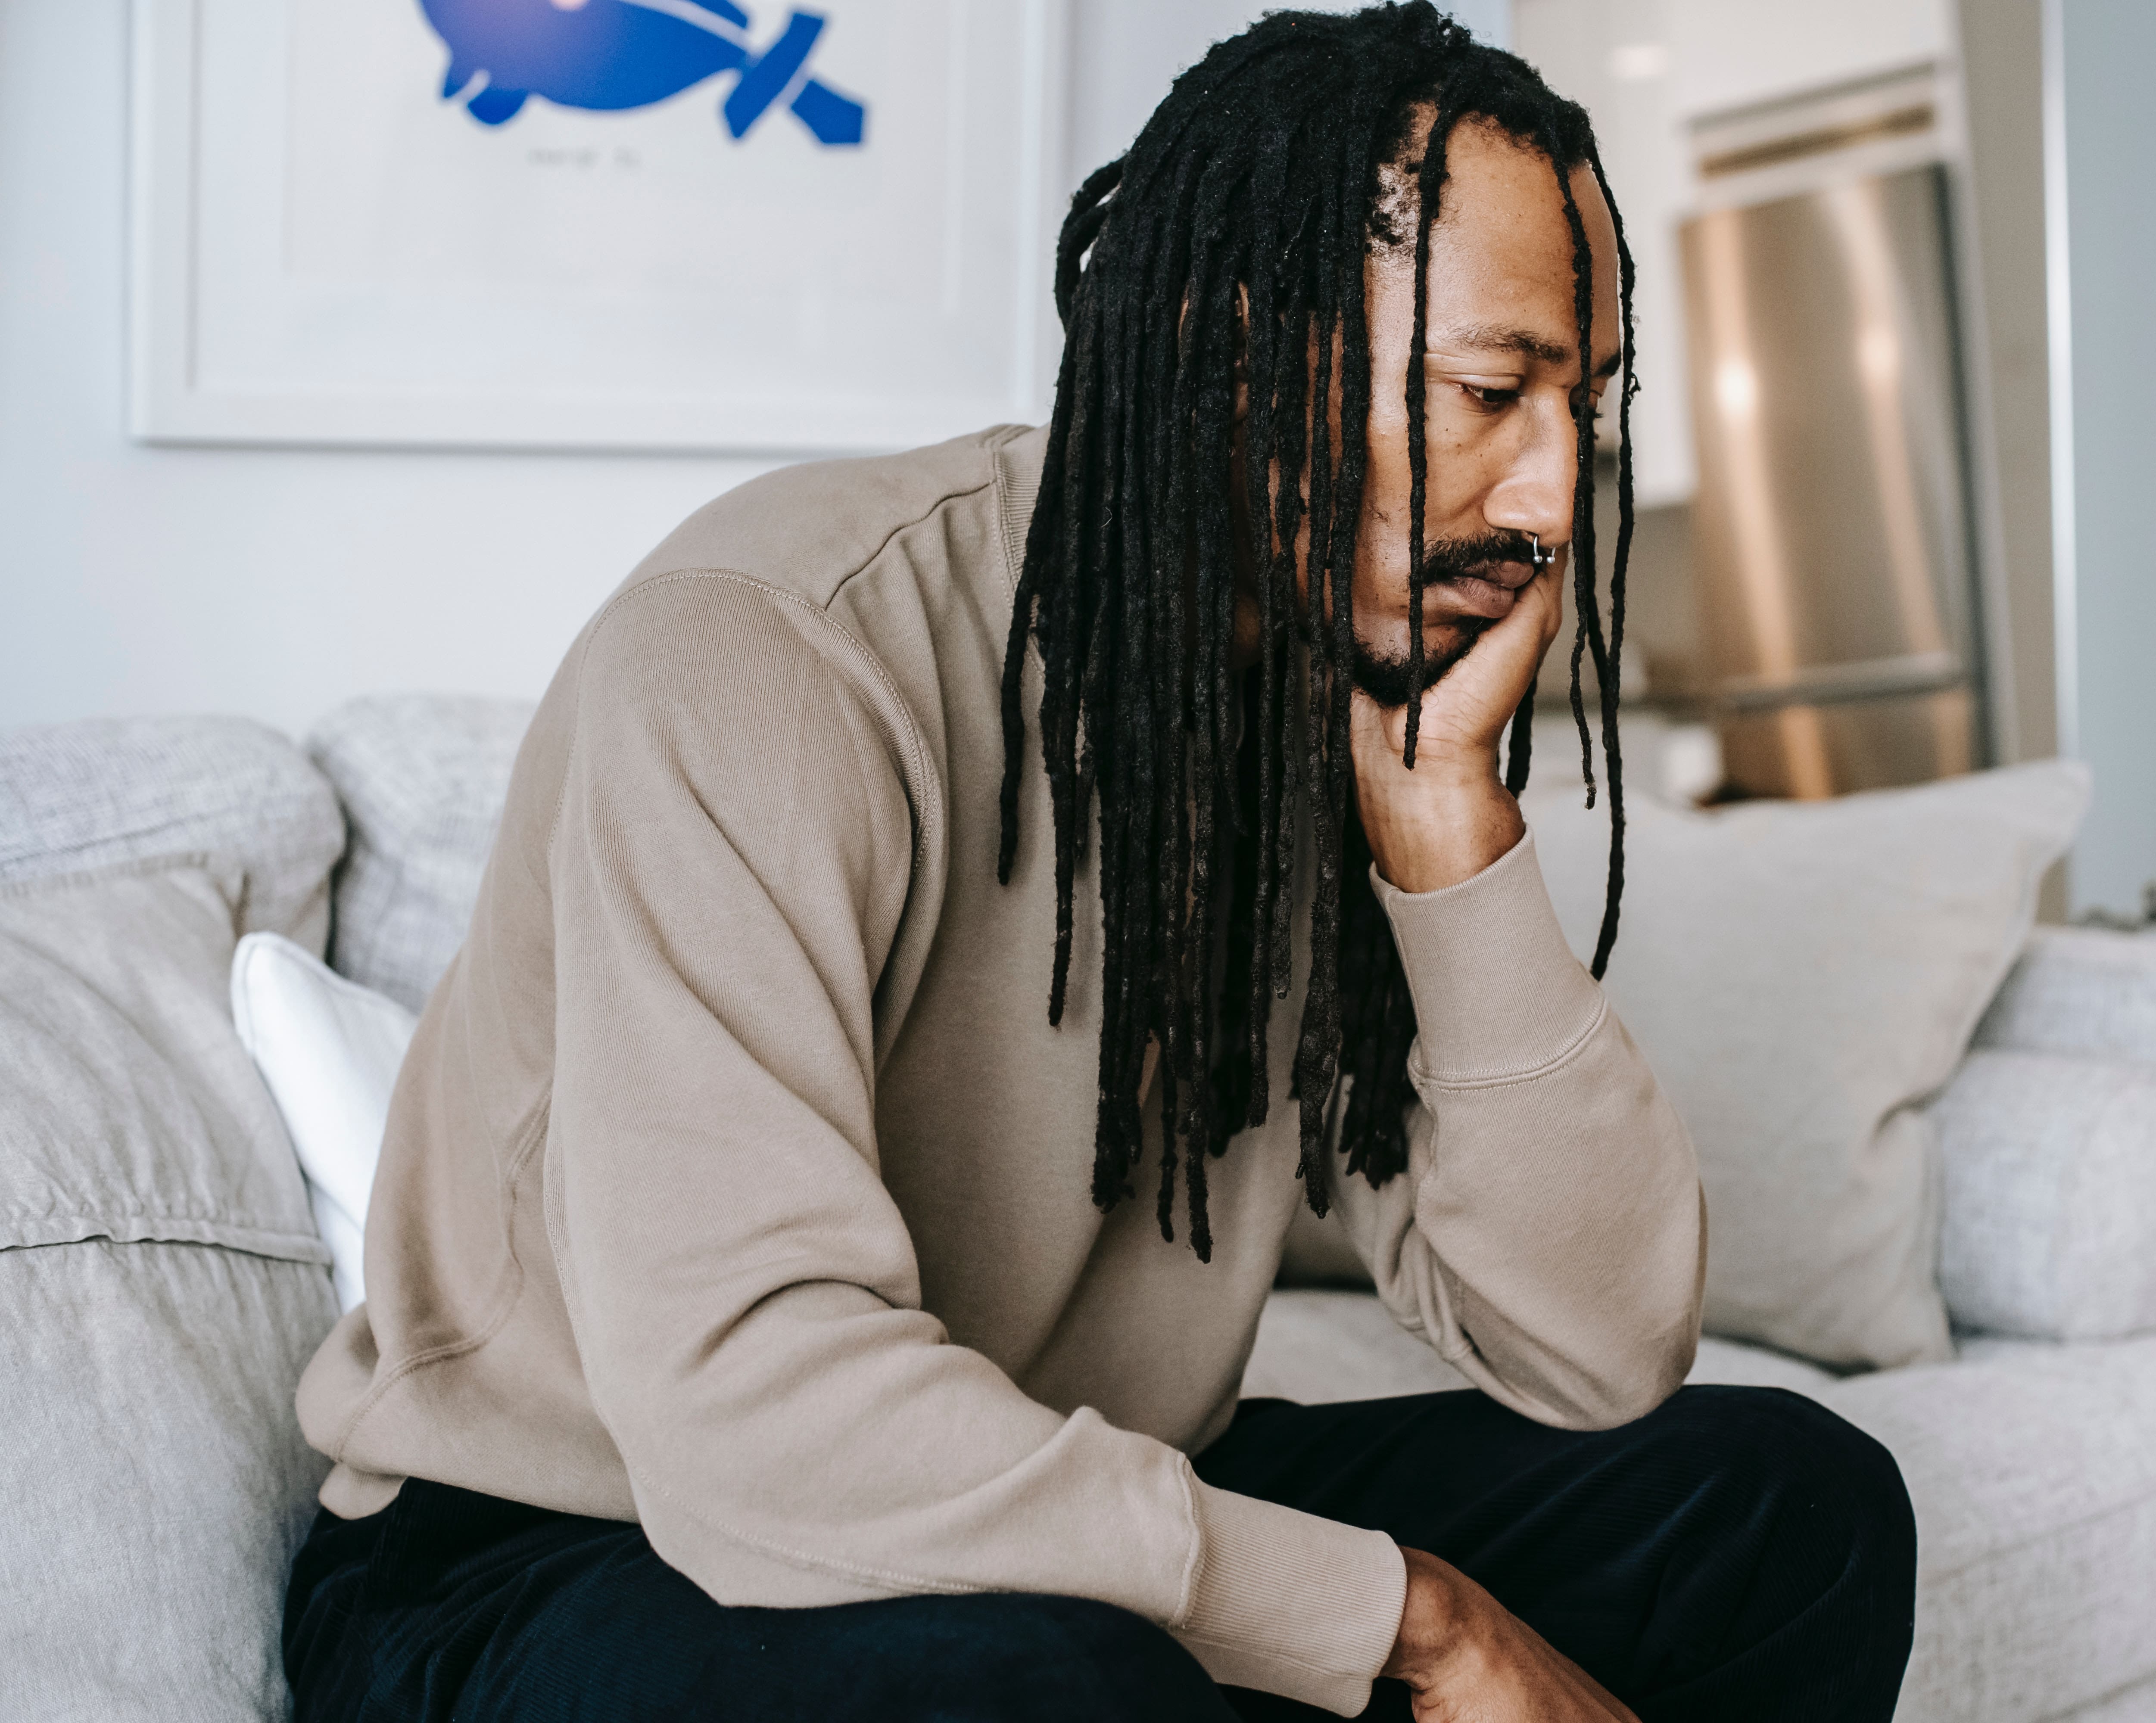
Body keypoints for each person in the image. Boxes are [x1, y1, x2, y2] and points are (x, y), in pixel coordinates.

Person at [280, 6, 1916, 1719]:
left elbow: (1598, 1344)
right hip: (563, 1547)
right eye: (1493, 392)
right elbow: (748, 1415)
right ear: (1241, 356)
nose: (1548, 505)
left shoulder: (1332, 695)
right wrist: (1409, 1617)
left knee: (1787, 1508)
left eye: (1580, 409)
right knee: (1058, 1681)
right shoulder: (770, 650)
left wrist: (1451, 832)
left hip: (1054, 1507)